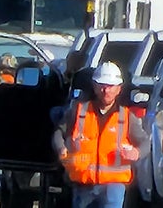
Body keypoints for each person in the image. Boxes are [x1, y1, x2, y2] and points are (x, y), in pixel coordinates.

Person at [53, 62, 145, 208]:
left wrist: (137, 152)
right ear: (94, 86)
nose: (106, 90)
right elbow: (59, 132)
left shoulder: (127, 117)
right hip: (83, 185)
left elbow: (145, 142)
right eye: (102, 85)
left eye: (111, 86)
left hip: (113, 187)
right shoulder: (78, 112)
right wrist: (61, 149)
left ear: (119, 89)